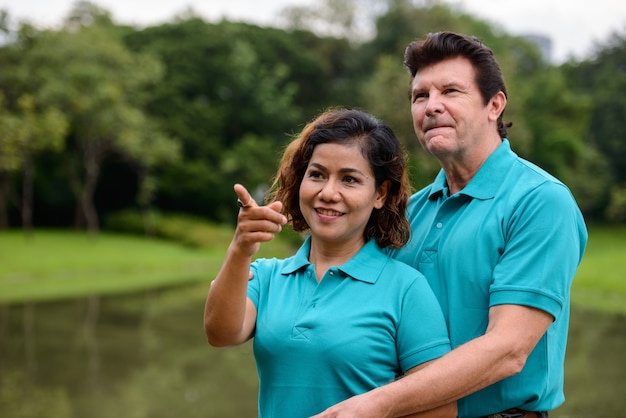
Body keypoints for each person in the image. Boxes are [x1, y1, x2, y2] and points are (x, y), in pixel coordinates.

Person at [312, 32, 588, 418]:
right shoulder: (407, 211)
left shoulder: (540, 201)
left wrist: (372, 405)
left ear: (494, 105)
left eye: (451, 91)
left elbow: (507, 350)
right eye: (420, 96)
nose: (431, 107)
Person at [203, 108, 457, 418]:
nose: (328, 193)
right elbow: (221, 333)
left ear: (380, 194)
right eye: (317, 174)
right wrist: (240, 249)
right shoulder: (266, 276)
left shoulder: (406, 289)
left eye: (349, 179)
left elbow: (441, 409)